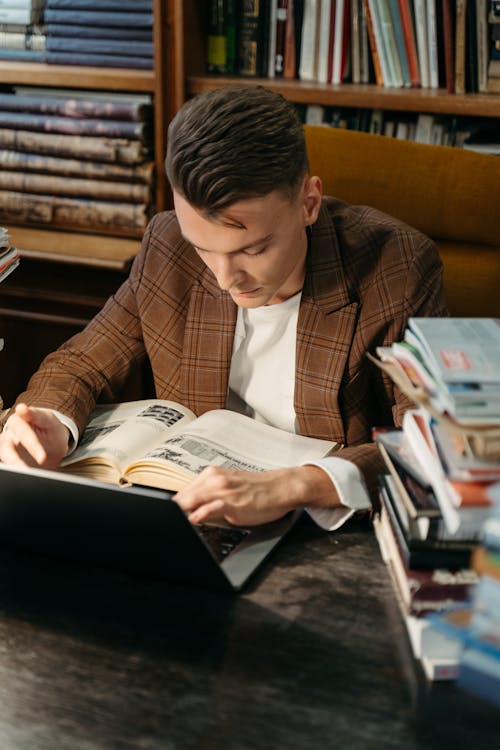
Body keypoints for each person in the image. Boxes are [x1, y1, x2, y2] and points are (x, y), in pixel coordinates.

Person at [0, 85, 447, 529]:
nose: (224, 277)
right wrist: (49, 421)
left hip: (324, 533)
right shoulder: (168, 244)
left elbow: (436, 441)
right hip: (192, 521)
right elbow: (82, 362)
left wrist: (296, 485)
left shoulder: (397, 268)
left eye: (252, 250)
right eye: (203, 248)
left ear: (308, 204)